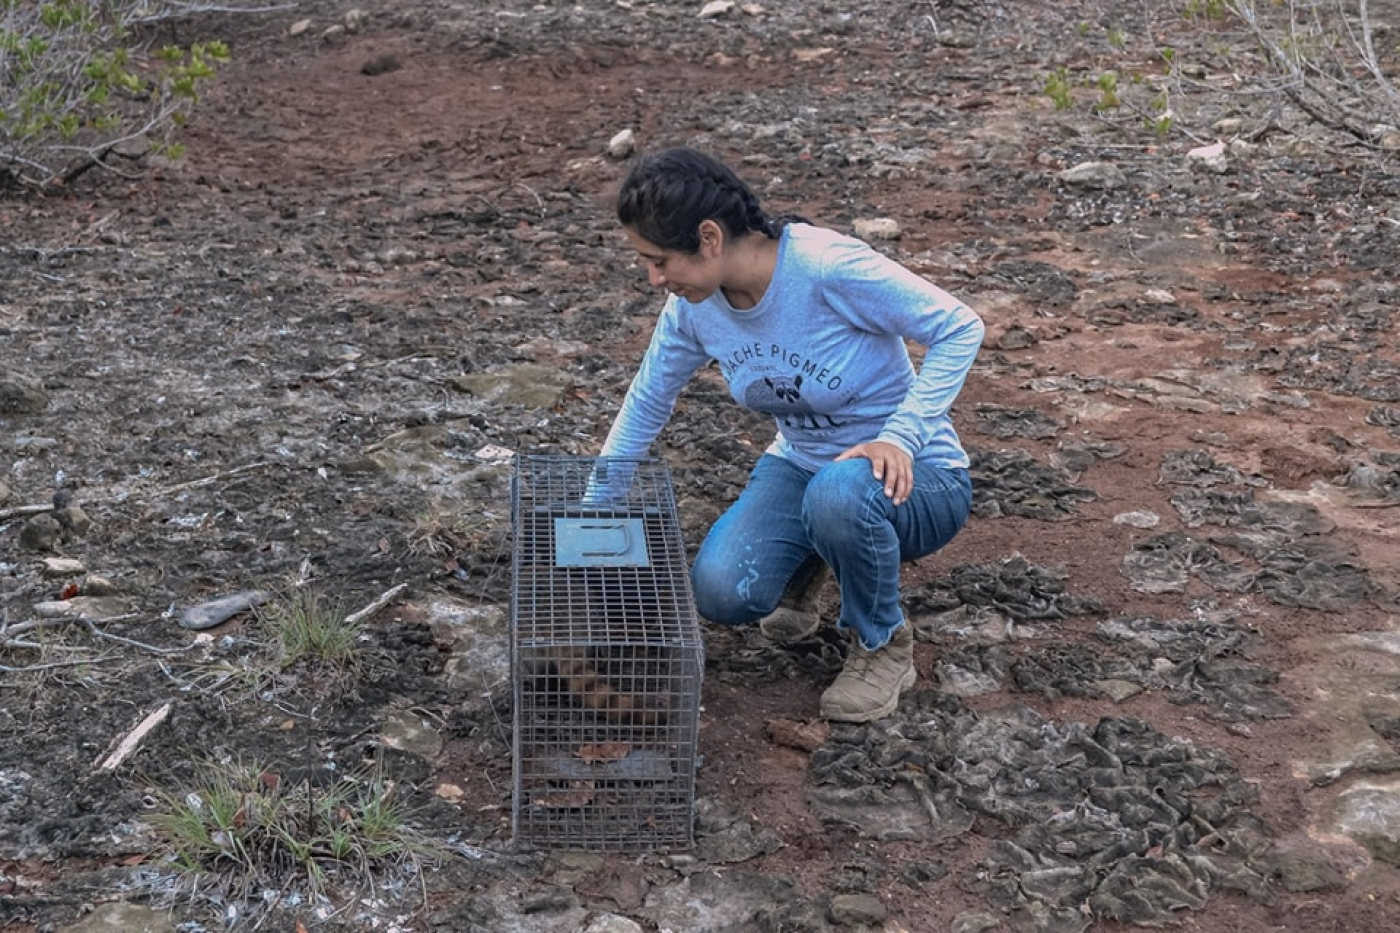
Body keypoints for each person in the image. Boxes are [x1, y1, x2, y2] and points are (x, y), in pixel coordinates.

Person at [594, 146, 984, 723]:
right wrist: (593, 508)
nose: (655, 279)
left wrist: (900, 436)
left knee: (841, 494)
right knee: (723, 593)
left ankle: (882, 641)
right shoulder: (694, 308)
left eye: (660, 261)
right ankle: (815, 560)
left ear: (709, 237)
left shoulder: (827, 268)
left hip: (915, 479)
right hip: (802, 470)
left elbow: (959, 326)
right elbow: (649, 398)